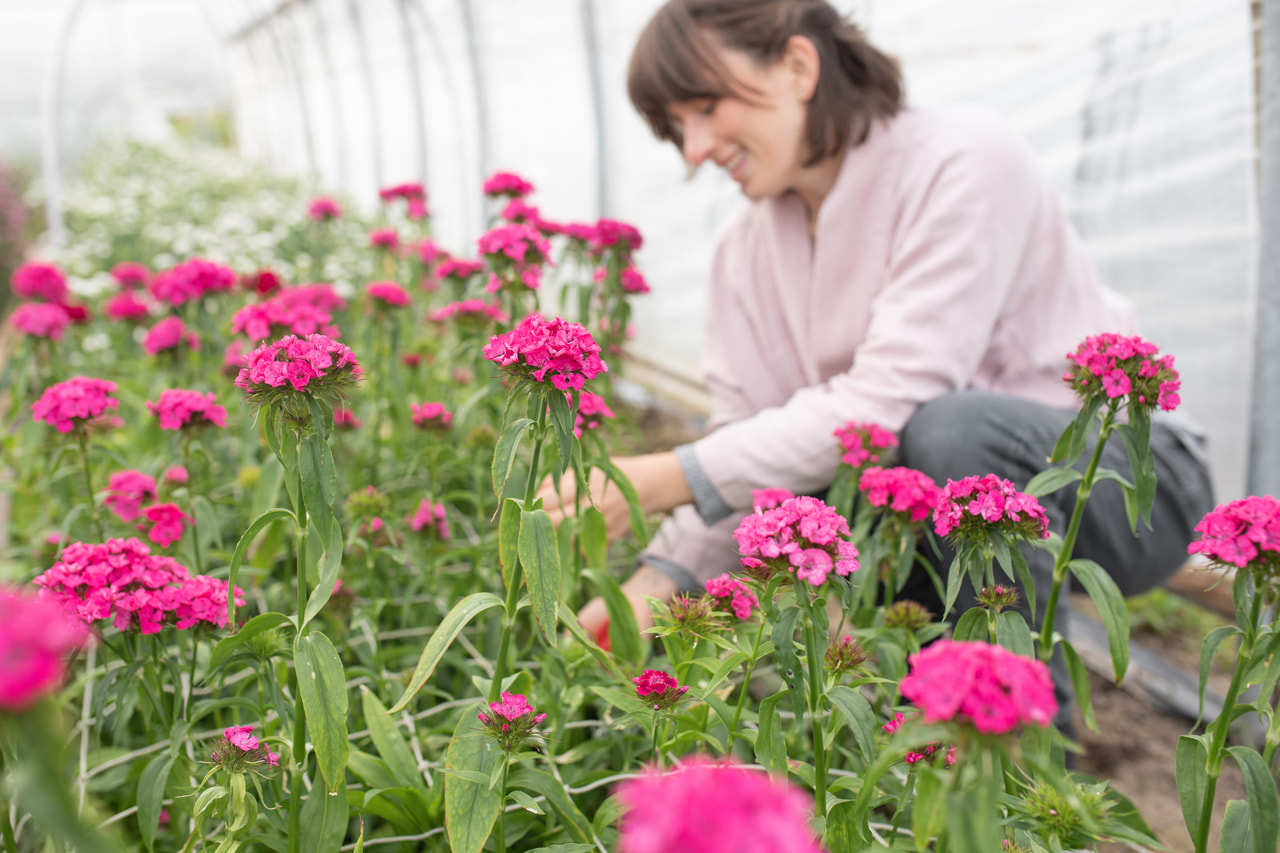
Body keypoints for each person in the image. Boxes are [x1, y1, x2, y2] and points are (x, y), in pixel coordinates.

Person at [537, 0, 1213, 668]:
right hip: (939, 496)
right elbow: (747, 444)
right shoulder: (741, 252)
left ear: (799, 66)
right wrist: (657, 581)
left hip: (1123, 483)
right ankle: (917, 741)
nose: (694, 149)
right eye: (675, 127)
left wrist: (660, 479)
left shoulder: (962, 160)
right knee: (859, 493)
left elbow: (891, 395)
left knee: (949, 433)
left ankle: (1030, 756)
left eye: (706, 107)